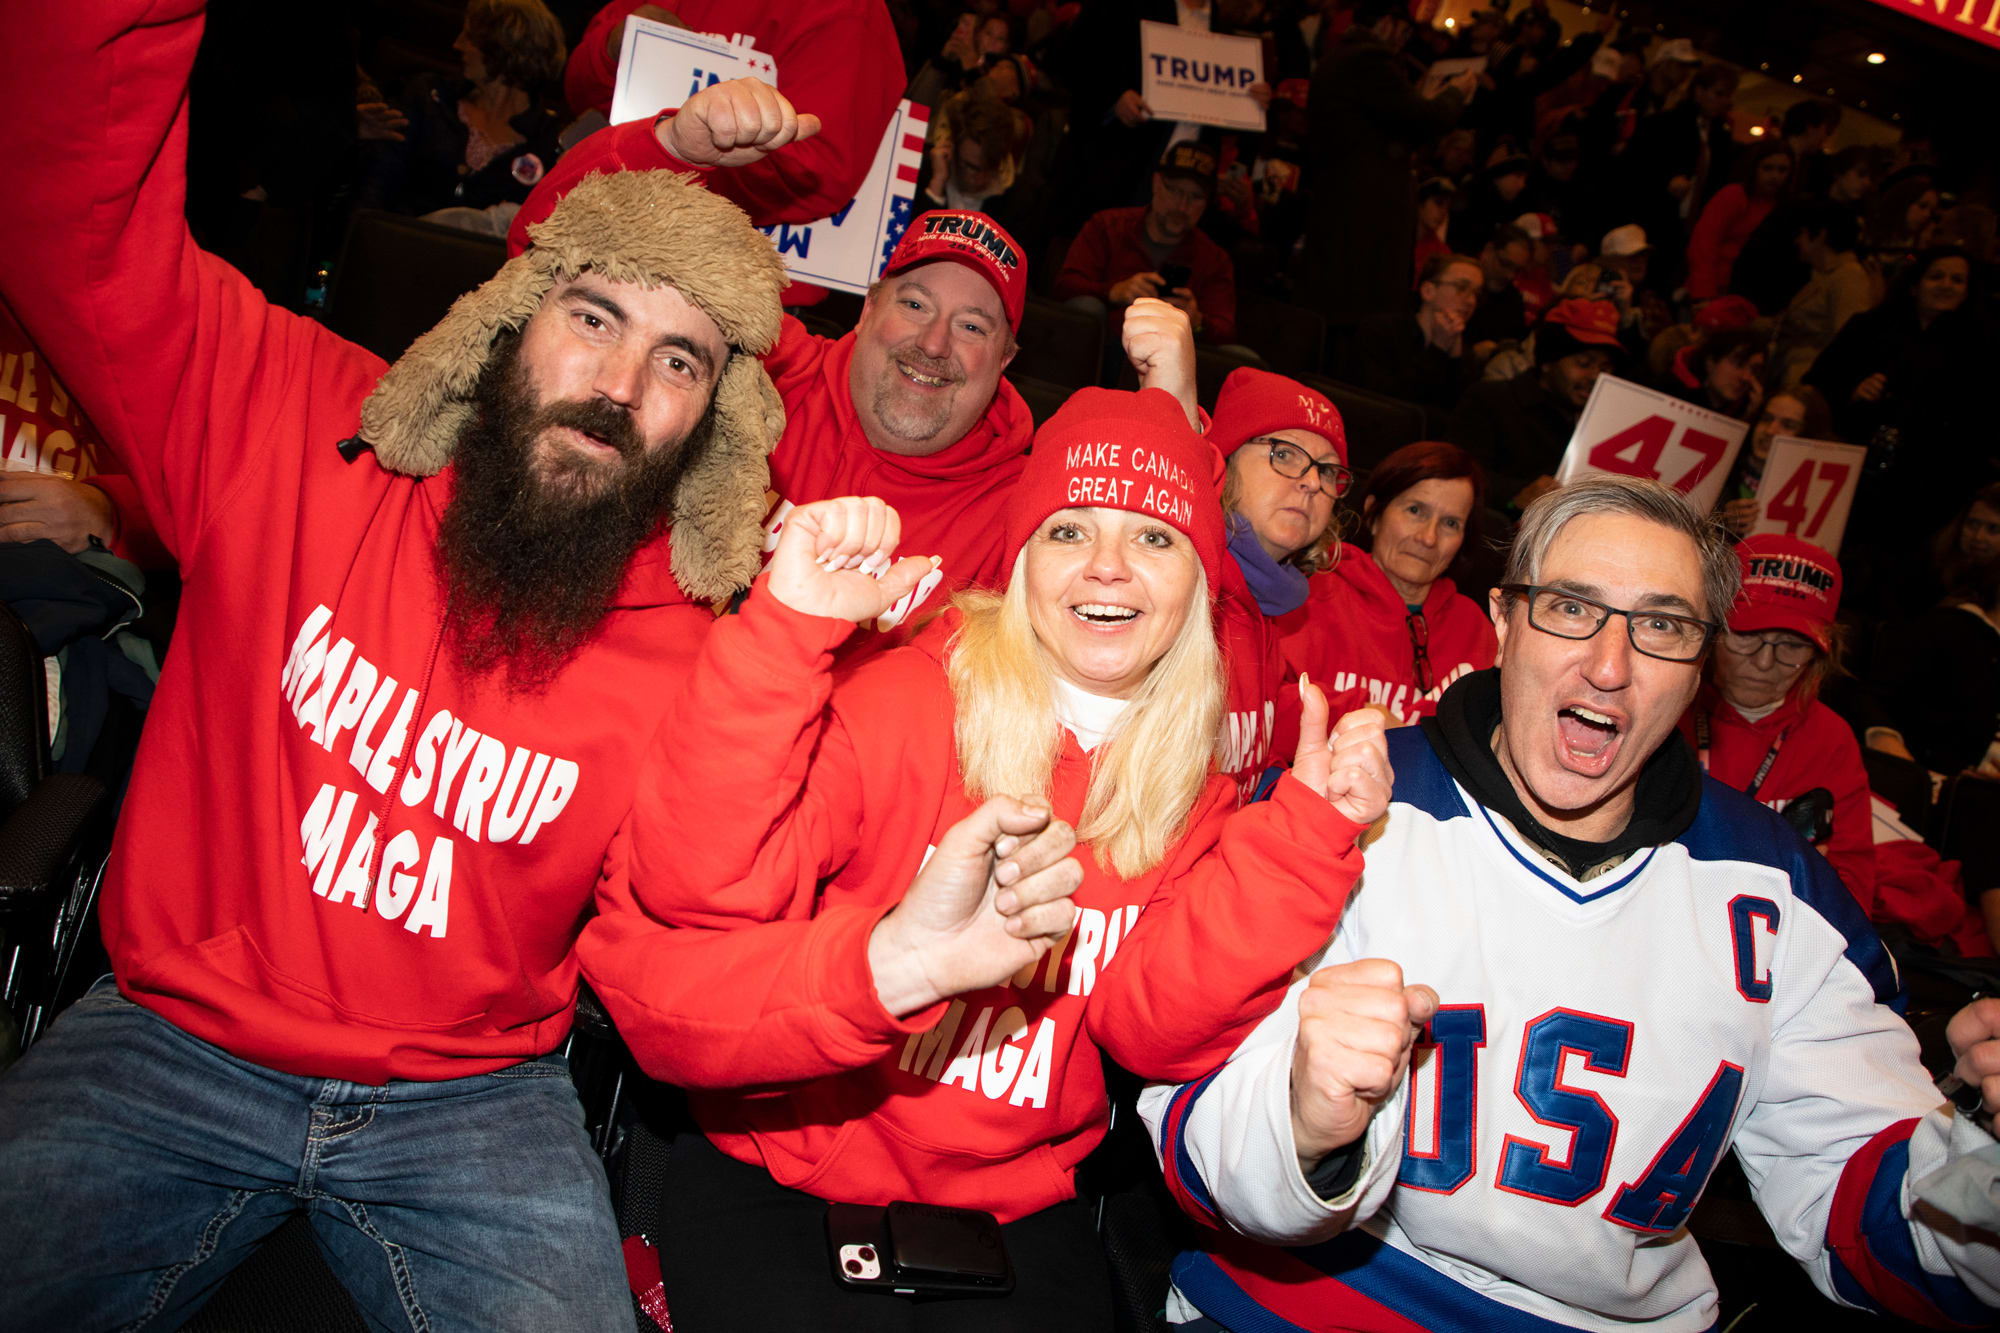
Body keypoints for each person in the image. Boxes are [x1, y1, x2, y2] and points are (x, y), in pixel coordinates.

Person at [0, 4, 813, 1323]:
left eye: (681, 361)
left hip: (475, 1096)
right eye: (594, 317)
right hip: (172, 1038)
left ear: (712, 419)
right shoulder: (296, 422)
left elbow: (698, 928)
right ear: (507, 322)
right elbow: (72, 227)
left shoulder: (709, 632)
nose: (620, 385)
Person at [579, 389, 1396, 1330]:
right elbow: (696, 881)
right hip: (786, 1176)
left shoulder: (1190, 788)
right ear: (1021, 561)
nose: (1109, 568)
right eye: (1069, 530)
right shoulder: (907, 700)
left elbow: (1148, 1030)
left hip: (1014, 1219)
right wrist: (782, 632)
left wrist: (1303, 841)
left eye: (1156, 538)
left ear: (1199, 584)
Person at [1144, 476, 2000, 1332]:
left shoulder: (1784, 891)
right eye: (1570, 607)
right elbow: (1182, 1120)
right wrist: (1303, 1126)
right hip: (1303, 1304)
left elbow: (1879, 1213)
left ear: (1700, 664)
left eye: (1662, 626)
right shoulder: (1332, 803)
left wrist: (1985, 1168)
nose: (1610, 665)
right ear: (1504, 622)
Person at [553, 0, 905, 230]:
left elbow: (818, 172)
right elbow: (579, 95)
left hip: (731, 281)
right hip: (600, 227)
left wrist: (676, 151)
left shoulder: (845, 10)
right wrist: (613, 47)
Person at [1683, 536, 1875, 912]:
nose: (1766, 663)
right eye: (1747, 637)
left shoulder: (1831, 739)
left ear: (1821, 655)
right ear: (1713, 631)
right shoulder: (1669, 713)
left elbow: (1852, 893)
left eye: (1791, 645)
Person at [1209, 368, 1351, 796]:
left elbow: (1250, 754)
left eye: (1328, 472)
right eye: (1284, 454)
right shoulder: (1187, 587)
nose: (1311, 482)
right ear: (1226, 462)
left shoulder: (1266, 605)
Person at [1283, 442, 1497, 724]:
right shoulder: (1309, 596)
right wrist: (1371, 719)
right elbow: (1273, 706)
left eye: (1450, 524)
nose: (1428, 538)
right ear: (1374, 513)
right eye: (1415, 510)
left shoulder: (1476, 629)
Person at [1809, 246, 1992, 564]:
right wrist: (1854, 391)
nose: (1946, 285)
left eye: (1957, 280)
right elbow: (1818, 385)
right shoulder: (1870, 326)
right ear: (1914, 284)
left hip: (1932, 482)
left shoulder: (1982, 345)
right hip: (1857, 469)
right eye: (1936, 276)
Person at [1303, 0, 1474, 325]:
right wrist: (1455, 94)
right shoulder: (1369, 59)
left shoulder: (1343, 58)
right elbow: (1423, 120)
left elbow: (1391, 122)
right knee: (1356, 313)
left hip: (1343, 206)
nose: (1403, 40)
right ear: (1385, 23)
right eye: (1403, 30)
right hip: (1363, 216)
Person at [354, 0, 568, 224]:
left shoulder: (550, 142)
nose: (457, 45)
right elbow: (373, 190)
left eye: (469, 37)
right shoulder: (427, 97)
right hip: (393, 246)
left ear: (502, 48)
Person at [1056, 142, 1240, 347]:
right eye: (1175, 191)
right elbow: (1065, 286)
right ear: (1156, 183)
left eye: (1196, 197)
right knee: (1086, 307)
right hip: (1105, 343)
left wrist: (1196, 321)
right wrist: (1112, 292)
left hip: (1169, 358)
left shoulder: (1214, 260)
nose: (1182, 206)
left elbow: (1226, 332)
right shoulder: (1108, 226)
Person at [1449, 297, 1622, 507]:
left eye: (1605, 368)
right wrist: (1518, 494)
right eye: (1583, 363)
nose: (1596, 376)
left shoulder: (1606, 423)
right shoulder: (1492, 399)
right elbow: (1456, 472)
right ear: (1548, 363)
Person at [1344, 252, 1481, 411]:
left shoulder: (1465, 352)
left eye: (1476, 294)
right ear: (1428, 291)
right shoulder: (1382, 331)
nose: (1471, 301)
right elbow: (1387, 404)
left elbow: (1460, 412)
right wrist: (1438, 349)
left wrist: (1456, 357)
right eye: (1461, 287)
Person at [1772, 202, 1872, 388]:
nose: (1797, 241)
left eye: (1802, 233)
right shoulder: (1825, 274)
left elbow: (1846, 344)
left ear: (1820, 235)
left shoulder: (1849, 278)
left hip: (1806, 382)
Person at [1715, 385, 1834, 539]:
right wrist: (1722, 525)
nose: (1770, 430)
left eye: (1788, 425)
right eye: (1766, 419)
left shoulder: (1820, 495)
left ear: (1809, 436)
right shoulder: (1722, 471)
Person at [1686, 140, 1794, 302]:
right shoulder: (1734, 195)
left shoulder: (1783, 205)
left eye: (1782, 170)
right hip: (1715, 288)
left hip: (1749, 294)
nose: (1775, 176)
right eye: (1768, 168)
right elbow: (1704, 244)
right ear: (1754, 168)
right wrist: (1704, 293)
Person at [1666, 324, 1766, 422]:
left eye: (1754, 370)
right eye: (1738, 364)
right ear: (1711, 362)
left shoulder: (1748, 410)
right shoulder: (1668, 395)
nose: (1746, 377)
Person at [1461, 222, 1534, 356]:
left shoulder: (1514, 300)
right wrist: (1470, 354)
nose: (1510, 275)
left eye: (1517, 270)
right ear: (1489, 250)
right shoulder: (1459, 285)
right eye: (1505, 264)